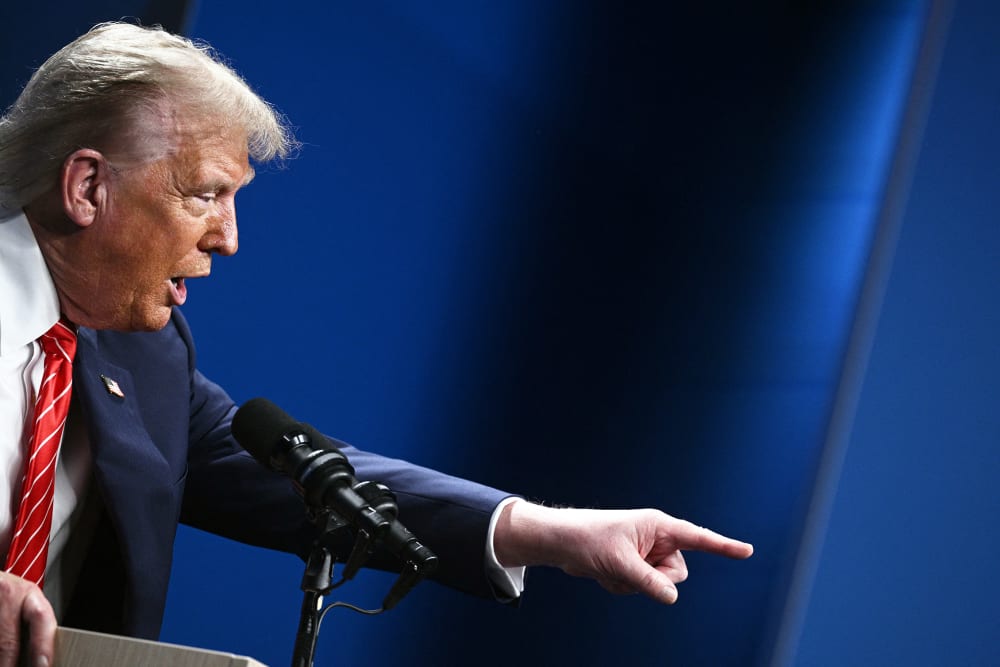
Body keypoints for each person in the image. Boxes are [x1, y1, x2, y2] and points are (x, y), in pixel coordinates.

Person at [0, 21, 753, 667]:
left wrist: (554, 533)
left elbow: (315, 482)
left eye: (234, 200)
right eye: (204, 194)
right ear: (88, 188)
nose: (228, 239)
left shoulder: (146, 357)